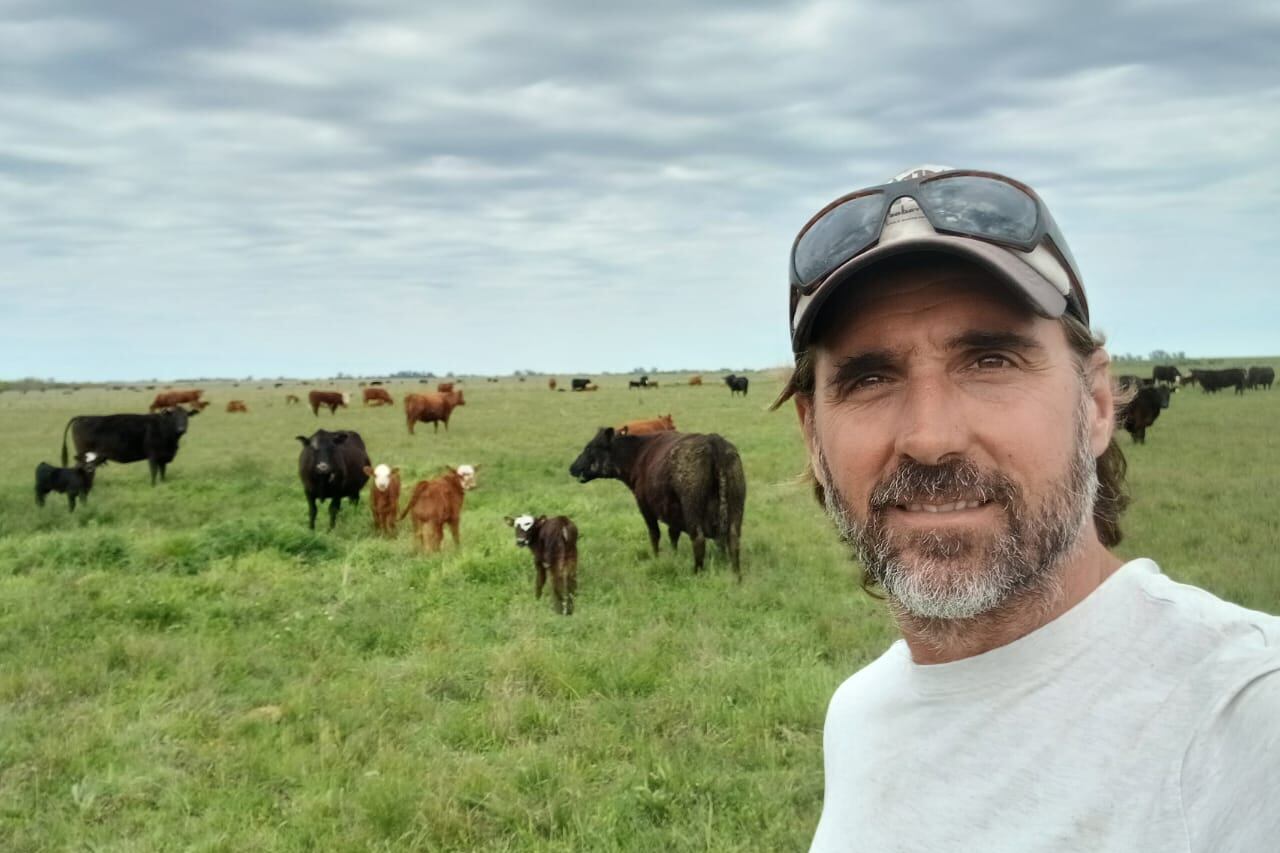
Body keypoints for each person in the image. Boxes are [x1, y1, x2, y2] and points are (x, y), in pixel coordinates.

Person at [775, 167, 1280, 851]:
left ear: (1096, 403)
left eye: (990, 360)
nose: (930, 439)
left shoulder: (1245, 716)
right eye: (870, 377)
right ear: (813, 433)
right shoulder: (859, 715)